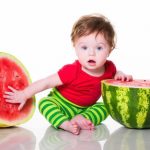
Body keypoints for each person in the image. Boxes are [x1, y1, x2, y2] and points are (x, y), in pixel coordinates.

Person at [4, 13, 133, 135]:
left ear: (109, 50)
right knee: (45, 103)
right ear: (75, 48)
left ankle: (82, 118)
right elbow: (46, 82)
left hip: (86, 109)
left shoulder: (110, 68)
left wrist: (121, 75)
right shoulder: (72, 71)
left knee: (106, 106)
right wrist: (25, 94)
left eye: (99, 48)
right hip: (61, 104)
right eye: (84, 47)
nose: (91, 53)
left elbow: (116, 73)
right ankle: (63, 123)